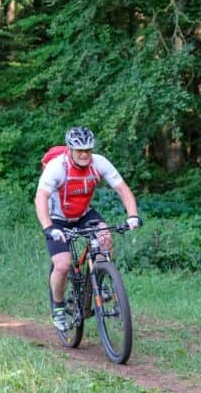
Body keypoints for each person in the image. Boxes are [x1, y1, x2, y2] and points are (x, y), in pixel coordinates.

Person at [35, 127, 141, 331]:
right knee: (63, 265)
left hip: (83, 214)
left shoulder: (99, 163)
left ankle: (100, 278)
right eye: (79, 150)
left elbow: (122, 188)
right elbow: (41, 197)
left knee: (105, 239)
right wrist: (48, 227)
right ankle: (58, 308)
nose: (84, 154)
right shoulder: (57, 167)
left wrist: (133, 215)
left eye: (88, 150)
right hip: (57, 219)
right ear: (69, 149)